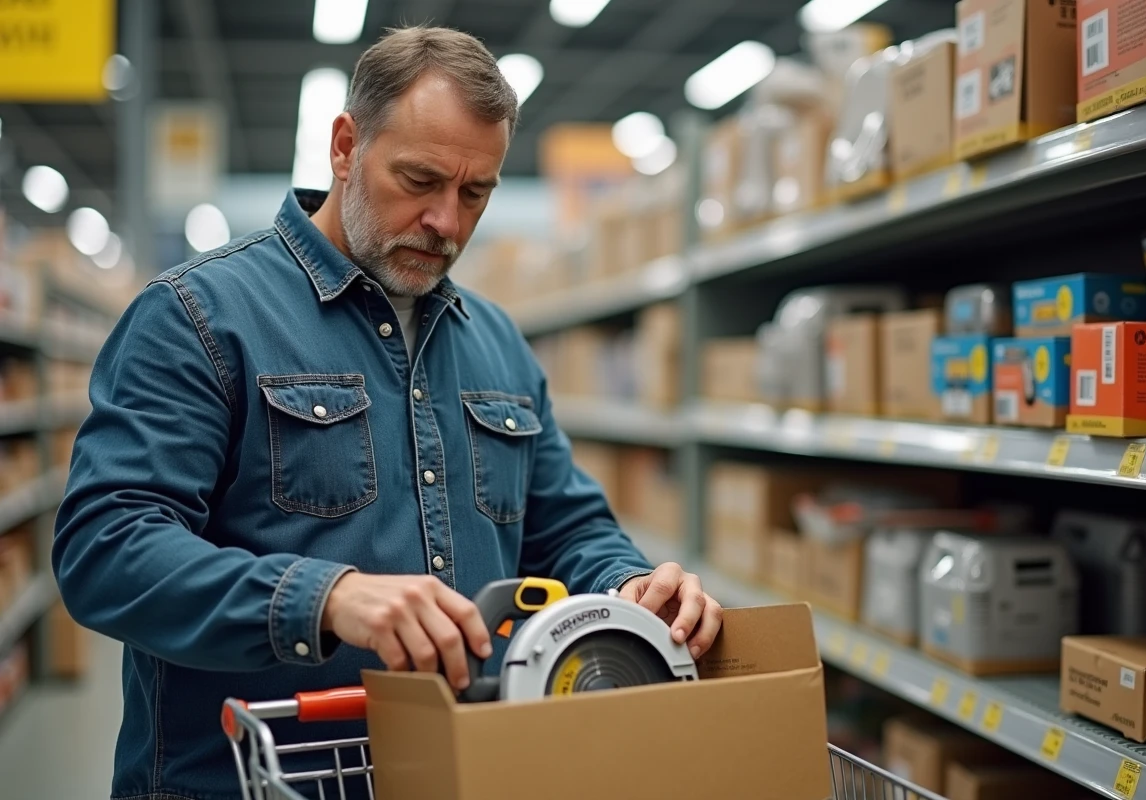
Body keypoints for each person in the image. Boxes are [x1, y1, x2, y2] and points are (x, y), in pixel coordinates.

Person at [52, 24, 723, 800]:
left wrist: (632, 585)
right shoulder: (199, 317)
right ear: (344, 147)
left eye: (476, 193)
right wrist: (326, 597)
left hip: (463, 773)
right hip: (253, 779)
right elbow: (105, 548)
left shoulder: (497, 342)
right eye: (420, 179)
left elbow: (565, 527)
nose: (447, 221)